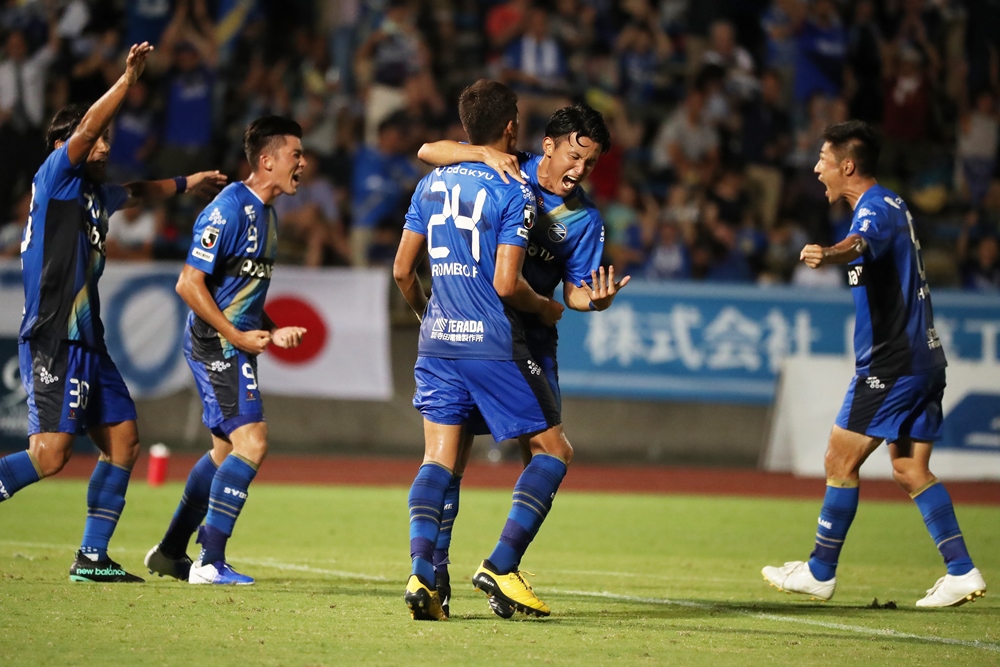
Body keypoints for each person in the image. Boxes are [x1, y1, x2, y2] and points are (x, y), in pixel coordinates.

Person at [0, 42, 227, 583]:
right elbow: (86, 131)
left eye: (107, 136)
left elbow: (137, 191)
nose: (105, 143)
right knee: (50, 455)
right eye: (97, 136)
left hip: (88, 342)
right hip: (55, 335)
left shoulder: (94, 196)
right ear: (66, 145)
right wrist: (125, 82)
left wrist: (188, 183)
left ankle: (91, 556)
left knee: (123, 440)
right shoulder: (55, 177)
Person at [762, 120, 987, 608]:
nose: (816, 169)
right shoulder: (890, 204)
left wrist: (829, 253)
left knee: (838, 460)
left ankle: (820, 570)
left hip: (893, 364)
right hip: (923, 359)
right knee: (909, 468)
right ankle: (961, 571)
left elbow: (859, 244)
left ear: (847, 166)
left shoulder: (873, 210)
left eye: (823, 160)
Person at [416, 102, 626, 618]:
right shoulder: (509, 167)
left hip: (527, 341)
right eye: (574, 156)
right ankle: (485, 569)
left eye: (591, 162)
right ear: (548, 146)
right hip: (496, 334)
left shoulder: (584, 220)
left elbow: (575, 291)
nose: (580, 170)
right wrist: (483, 152)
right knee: (531, 452)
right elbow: (429, 151)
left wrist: (594, 301)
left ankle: (460, 574)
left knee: (526, 458)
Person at [394, 79, 568, 621]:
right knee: (553, 451)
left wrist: (426, 314)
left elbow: (402, 271)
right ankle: (501, 564)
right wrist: (545, 307)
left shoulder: (431, 183)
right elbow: (506, 284)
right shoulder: (513, 188)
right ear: (511, 126)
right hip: (490, 340)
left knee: (440, 460)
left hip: (437, 340)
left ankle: (425, 574)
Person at [144, 116, 308, 586]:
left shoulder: (269, 215)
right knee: (252, 442)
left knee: (224, 451)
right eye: (296, 155)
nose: (303, 164)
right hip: (215, 343)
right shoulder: (228, 209)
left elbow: (240, 293)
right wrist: (236, 336)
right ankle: (210, 561)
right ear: (267, 160)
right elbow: (188, 283)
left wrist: (271, 329)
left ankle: (171, 551)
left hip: (233, 342)